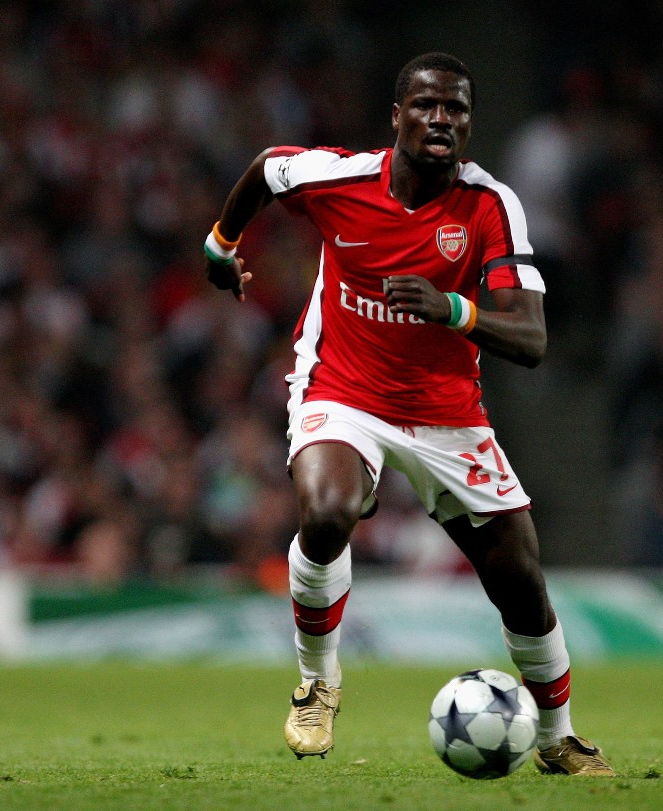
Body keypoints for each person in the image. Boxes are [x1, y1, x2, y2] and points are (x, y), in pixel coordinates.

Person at [202, 52, 614, 777]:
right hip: (343, 387)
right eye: (426, 105)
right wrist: (220, 244)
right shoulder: (342, 180)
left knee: (519, 578)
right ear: (397, 117)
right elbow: (269, 168)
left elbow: (533, 338)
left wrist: (452, 307)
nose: (441, 120)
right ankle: (317, 680)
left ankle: (557, 736)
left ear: (469, 124)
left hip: (447, 412)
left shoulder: (490, 207)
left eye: (456, 109)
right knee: (327, 511)